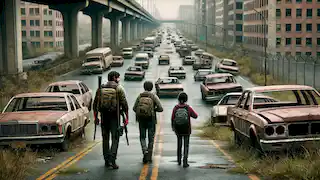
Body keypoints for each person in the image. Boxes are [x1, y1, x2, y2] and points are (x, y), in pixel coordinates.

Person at [93, 71, 129, 169]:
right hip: (115, 117)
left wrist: (96, 117)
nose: (119, 79)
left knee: (105, 139)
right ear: (114, 78)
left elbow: (95, 104)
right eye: (118, 77)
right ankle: (113, 160)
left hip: (104, 117)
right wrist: (126, 117)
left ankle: (106, 160)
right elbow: (124, 104)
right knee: (115, 138)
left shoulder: (100, 88)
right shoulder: (119, 88)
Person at [133, 81, 163, 164]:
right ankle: (149, 156)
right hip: (151, 119)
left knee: (142, 137)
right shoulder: (153, 96)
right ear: (152, 88)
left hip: (141, 120)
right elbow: (161, 108)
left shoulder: (140, 96)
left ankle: (144, 151)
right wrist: (153, 110)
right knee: (151, 138)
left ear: (144, 87)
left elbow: (134, 108)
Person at [171, 92, 198, 168]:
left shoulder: (175, 108)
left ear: (179, 99)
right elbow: (195, 116)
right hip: (187, 129)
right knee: (186, 145)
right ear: (186, 99)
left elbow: (172, 118)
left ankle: (179, 160)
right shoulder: (188, 108)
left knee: (179, 145)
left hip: (178, 129)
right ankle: (185, 161)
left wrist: (173, 128)